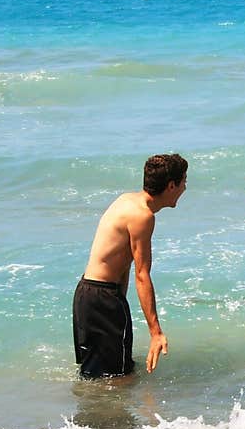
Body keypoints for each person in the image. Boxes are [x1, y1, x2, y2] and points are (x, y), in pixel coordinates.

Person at [72, 153, 188, 378]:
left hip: (88, 295)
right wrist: (156, 332)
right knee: (118, 378)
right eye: (184, 181)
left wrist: (120, 303)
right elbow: (142, 274)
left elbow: (122, 261)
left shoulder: (127, 200)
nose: (185, 188)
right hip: (103, 299)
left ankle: (92, 413)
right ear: (171, 185)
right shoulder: (142, 216)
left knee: (97, 375)